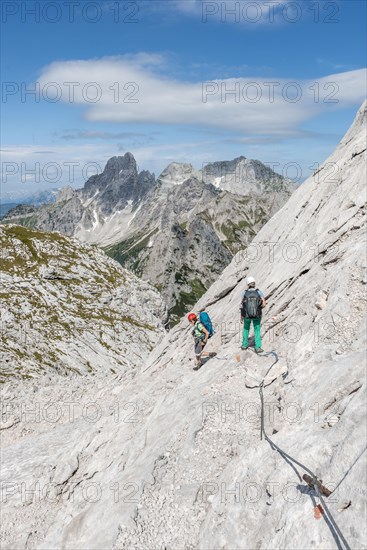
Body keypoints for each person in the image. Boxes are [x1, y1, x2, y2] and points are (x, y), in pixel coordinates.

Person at [240, 276, 266, 353]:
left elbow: (242, 306)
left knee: (246, 329)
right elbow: (264, 304)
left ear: (247, 284)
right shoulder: (259, 292)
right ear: (254, 283)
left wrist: (241, 317)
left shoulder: (244, 293)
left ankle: (244, 345)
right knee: (257, 329)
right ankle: (257, 347)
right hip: (257, 315)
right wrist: (258, 308)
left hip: (246, 315)